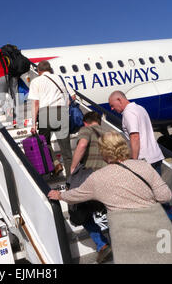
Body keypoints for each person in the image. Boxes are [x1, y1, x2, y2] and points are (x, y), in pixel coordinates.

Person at [48, 131, 172, 264]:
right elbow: (165, 196)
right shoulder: (144, 166)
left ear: (104, 152)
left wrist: (59, 195)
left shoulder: (98, 178)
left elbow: (75, 196)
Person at [68, 111, 111, 263]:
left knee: (82, 213)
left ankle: (102, 245)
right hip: (110, 177)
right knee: (110, 210)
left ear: (86, 122)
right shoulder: (108, 133)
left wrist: (73, 168)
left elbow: (82, 144)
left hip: (92, 178)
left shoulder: (86, 130)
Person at [28, 60, 75, 177]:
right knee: (66, 151)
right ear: (50, 69)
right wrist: (65, 106)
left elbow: (36, 104)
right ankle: (71, 181)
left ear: (38, 71)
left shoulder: (36, 81)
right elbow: (73, 96)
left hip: (46, 113)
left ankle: (56, 163)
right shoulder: (60, 78)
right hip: (62, 112)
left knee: (43, 143)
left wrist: (33, 124)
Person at [108, 90, 164, 175]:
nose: (112, 108)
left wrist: (134, 162)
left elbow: (135, 136)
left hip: (144, 160)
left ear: (119, 100)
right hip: (155, 156)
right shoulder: (140, 108)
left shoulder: (128, 113)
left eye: (112, 105)